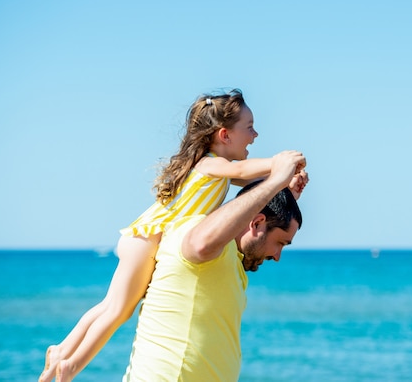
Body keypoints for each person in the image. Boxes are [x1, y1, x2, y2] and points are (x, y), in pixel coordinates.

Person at [39, 89, 308, 382]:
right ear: (224, 135)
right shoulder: (210, 164)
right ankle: (71, 366)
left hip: (144, 237)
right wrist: (280, 163)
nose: (255, 135)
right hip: (147, 237)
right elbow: (245, 170)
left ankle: (62, 351)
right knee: (118, 309)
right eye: (249, 127)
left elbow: (250, 182)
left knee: (110, 305)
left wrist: (285, 186)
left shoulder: (216, 169)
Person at [122, 150, 307, 382]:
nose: (278, 256)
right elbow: (203, 243)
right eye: (280, 243)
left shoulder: (232, 259)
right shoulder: (200, 236)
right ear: (257, 222)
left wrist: (282, 195)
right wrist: (275, 181)